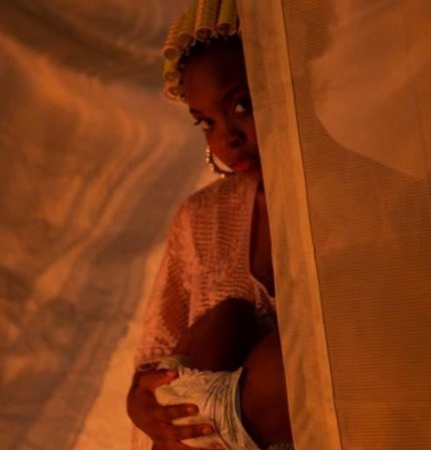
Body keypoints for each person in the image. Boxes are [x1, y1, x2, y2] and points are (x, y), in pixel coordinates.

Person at [126, 3, 292, 449]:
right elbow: (151, 366)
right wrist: (138, 403)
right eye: (206, 122)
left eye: (242, 105)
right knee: (226, 319)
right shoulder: (199, 218)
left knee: (291, 356)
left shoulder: (361, 196)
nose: (226, 138)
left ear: (289, 81)